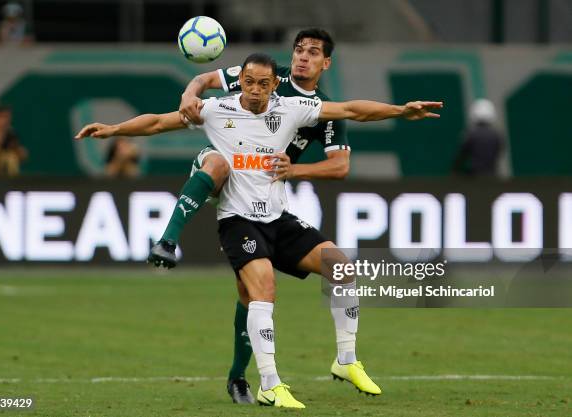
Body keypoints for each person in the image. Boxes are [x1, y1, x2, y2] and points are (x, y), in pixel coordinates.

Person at [75, 53, 443, 408]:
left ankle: (345, 360)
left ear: (274, 85)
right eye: (248, 82)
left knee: (341, 266)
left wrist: (400, 111)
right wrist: (113, 130)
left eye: (262, 84)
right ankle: (269, 384)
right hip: (237, 220)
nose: (253, 90)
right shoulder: (219, 109)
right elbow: (157, 122)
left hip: (277, 218)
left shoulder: (291, 109)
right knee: (264, 290)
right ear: (241, 82)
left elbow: (350, 110)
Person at [150, 28, 352, 403]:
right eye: (298, 50)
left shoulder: (319, 109)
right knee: (215, 163)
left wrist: (295, 170)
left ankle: (239, 377)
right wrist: (189, 93)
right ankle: (167, 239)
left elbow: (341, 159)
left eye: (312, 52)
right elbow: (203, 81)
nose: (302, 57)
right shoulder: (259, 77)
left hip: (267, 199)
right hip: (229, 181)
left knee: (253, 293)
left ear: (326, 63)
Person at [453, 98, 504, 176]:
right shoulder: (497, 135)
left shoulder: (470, 134)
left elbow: (461, 156)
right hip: (493, 175)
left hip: (475, 177)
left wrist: (455, 171)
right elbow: (499, 151)